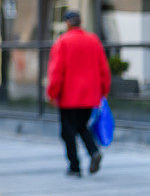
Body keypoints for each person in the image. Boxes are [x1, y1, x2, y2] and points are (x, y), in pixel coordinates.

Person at [46, 10, 110, 177]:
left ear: (67, 23)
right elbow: (104, 69)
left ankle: (74, 167)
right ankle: (93, 151)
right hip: (90, 96)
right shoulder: (93, 40)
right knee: (82, 126)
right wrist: (103, 91)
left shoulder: (62, 42)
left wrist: (52, 93)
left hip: (68, 97)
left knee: (68, 132)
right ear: (80, 22)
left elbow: (56, 71)